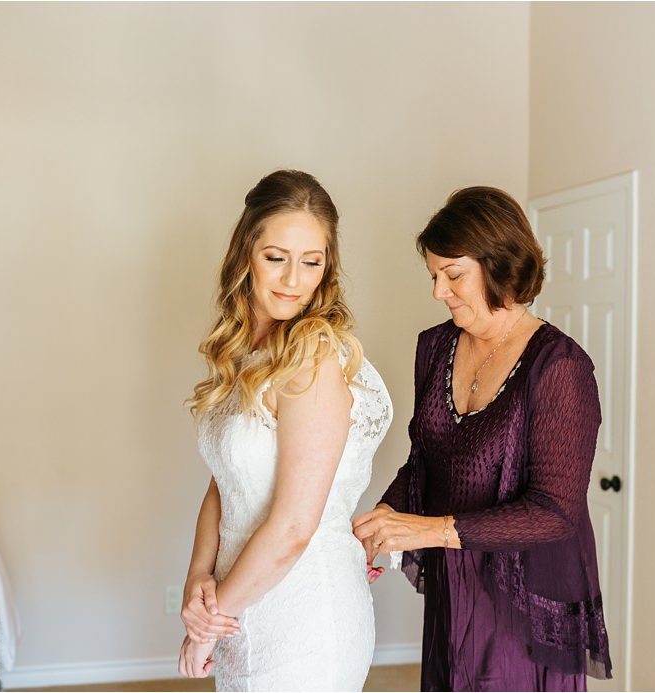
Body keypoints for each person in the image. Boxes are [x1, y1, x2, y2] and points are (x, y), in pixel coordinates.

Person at [353, 186, 612, 691]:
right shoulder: (434, 347)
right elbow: (426, 458)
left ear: (500, 265)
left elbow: (555, 512)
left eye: (453, 275)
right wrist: (385, 519)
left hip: (525, 607)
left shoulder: (559, 367)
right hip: (456, 590)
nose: (438, 292)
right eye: (433, 276)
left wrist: (428, 531)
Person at [178, 170, 393, 691]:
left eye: (311, 262)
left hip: (305, 620)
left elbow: (296, 526)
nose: (293, 280)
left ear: (327, 267)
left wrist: (209, 624)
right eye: (276, 257)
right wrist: (198, 583)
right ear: (245, 255)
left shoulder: (313, 358)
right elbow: (222, 483)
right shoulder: (246, 353)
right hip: (243, 602)